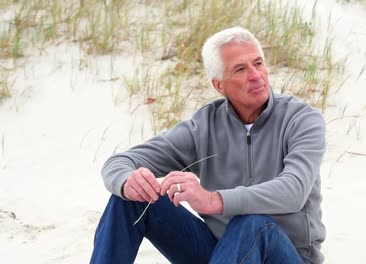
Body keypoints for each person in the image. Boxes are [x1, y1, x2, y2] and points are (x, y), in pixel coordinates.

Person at [90, 27, 326, 264]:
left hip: (287, 257)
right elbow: (119, 162)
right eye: (241, 69)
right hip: (222, 255)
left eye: (258, 63)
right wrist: (127, 180)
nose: (256, 75)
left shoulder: (302, 119)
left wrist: (214, 200)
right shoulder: (204, 127)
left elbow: (294, 190)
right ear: (219, 85)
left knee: (252, 223)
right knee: (132, 197)